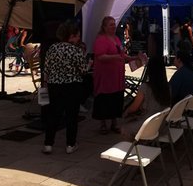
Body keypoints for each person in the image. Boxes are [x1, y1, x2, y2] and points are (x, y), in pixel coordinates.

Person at [42, 20, 89, 154]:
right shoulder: (76, 50)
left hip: (54, 85)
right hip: (72, 86)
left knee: (53, 115)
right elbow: (83, 70)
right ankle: (70, 144)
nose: (79, 38)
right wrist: (89, 63)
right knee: (71, 116)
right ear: (72, 35)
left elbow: (47, 68)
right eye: (77, 35)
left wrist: (45, 84)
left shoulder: (52, 48)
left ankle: (48, 144)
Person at [92, 16, 139, 135]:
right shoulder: (101, 39)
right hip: (105, 77)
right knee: (104, 98)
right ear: (104, 27)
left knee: (116, 98)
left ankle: (114, 122)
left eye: (114, 24)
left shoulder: (116, 39)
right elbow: (100, 56)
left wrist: (133, 58)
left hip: (117, 77)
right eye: (110, 24)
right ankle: (103, 124)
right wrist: (115, 57)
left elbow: (122, 55)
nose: (113, 26)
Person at [121, 56, 171, 139]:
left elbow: (134, 107)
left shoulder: (145, 87)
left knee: (124, 128)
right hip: (162, 125)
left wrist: (126, 112)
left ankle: (134, 148)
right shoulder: (168, 87)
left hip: (148, 125)